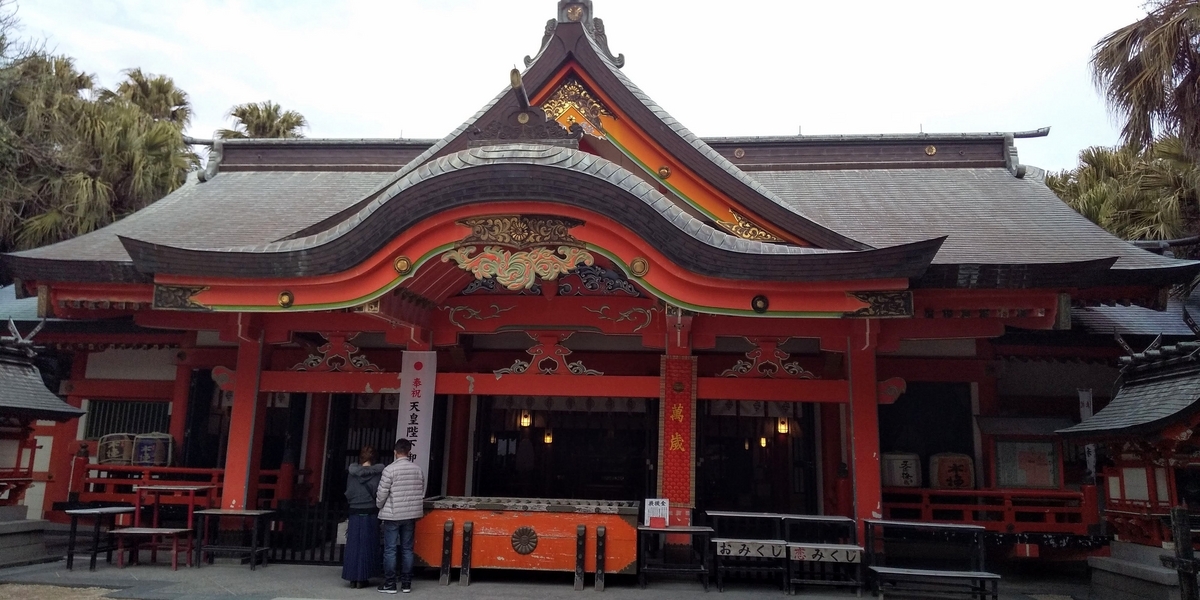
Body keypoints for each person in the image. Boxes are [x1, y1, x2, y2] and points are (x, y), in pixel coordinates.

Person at [375, 438, 425, 594]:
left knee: (390, 550)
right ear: (409, 452)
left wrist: (378, 505)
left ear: (395, 452)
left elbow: (382, 493)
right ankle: (406, 583)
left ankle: (390, 583)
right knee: (407, 549)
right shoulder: (417, 470)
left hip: (393, 514)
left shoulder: (389, 470)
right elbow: (421, 492)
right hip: (410, 515)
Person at [342, 446, 385, 588]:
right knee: (368, 544)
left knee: (353, 544)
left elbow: (348, 491)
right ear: (374, 459)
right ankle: (363, 576)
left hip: (354, 510)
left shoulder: (352, 472)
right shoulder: (378, 473)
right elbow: (379, 492)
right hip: (370, 511)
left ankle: (352, 576)